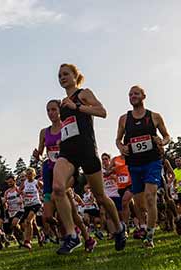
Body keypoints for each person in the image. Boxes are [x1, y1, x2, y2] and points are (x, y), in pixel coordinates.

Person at [52, 63, 125, 255]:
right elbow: (68, 126)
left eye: (66, 74)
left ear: (75, 76)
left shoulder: (83, 94)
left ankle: (119, 228)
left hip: (86, 150)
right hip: (67, 152)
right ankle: (72, 236)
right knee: (58, 188)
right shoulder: (62, 103)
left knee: (100, 196)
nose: (62, 77)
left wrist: (76, 106)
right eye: (59, 75)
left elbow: (102, 112)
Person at [33, 99, 96, 252]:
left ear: (60, 110)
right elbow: (41, 152)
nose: (51, 113)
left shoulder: (66, 127)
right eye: (48, 110)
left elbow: (77, 146)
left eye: (54, 109)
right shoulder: (44, 132)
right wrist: (36, 154)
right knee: (48, 216)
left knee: (59, 200)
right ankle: (83, 237)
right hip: (49, 172)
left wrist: (66, 146)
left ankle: (72, 236)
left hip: (66, 172)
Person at [116, 85, 171, 248]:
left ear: (143, 96)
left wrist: (163, 141)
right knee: (141, 205)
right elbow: (118, 140)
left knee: (149, 197)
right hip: (134, 164)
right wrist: (121, 147)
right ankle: (153, 215)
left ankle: (150, 236)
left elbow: (167, 136)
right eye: (130, 94)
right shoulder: (124, 119)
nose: (133, 96)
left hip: (152, 161)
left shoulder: (154, 116)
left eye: (136, 93)